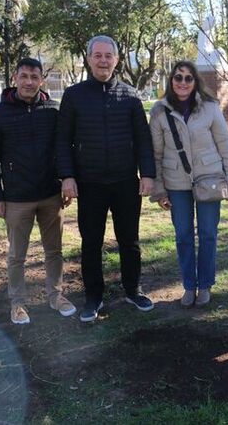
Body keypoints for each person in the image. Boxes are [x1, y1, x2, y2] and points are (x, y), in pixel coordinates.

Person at [57, 35, 157, 323]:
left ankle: (132, 289)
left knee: (130, 240)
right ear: (88, 59)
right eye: (97, 55)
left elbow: (143, 140)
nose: (103, 60)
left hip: (125, 181)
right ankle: (93, 296)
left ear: (116, 59)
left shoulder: (130, 95)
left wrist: (147, 173)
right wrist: (67, 176)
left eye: (108, 56)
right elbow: (62, 140)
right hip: (89, 184)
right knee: (91, 243)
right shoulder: (74, 96)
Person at [0, 57, 76, 325]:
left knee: (54, 251)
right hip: (16, 198)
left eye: (34, 77)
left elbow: (62, 150)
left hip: (50, 195)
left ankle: (56, 295)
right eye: (24, 76)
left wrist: (66, 181)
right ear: (15, 78)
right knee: (17, 255)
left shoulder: (52, 111)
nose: (29, 82)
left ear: (41, 80)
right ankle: (18, 303)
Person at [149, 61, 228, 308]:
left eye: (188, 78)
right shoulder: (159, 111)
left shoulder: (210, 108)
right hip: (176, 183)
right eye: (178, 77)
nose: (183, 82)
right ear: (171, 80)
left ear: (195, 81)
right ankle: (189, 285)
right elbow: (155, 155)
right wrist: (159, 190)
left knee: (208, 234)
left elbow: (226, 145)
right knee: (183, 236)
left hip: (209, 179)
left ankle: (205, 284)